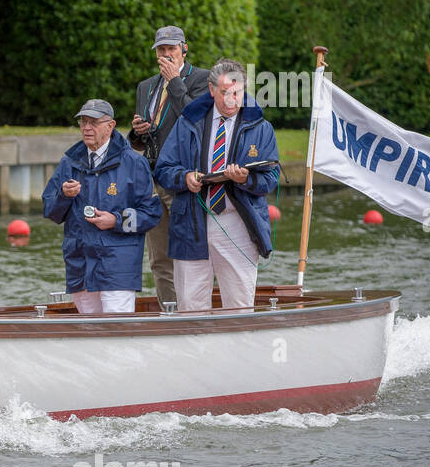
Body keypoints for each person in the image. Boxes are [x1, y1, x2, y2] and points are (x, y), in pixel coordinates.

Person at [154, 58, 280, 311]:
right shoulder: (188, 122)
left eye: (237, 92)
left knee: (240, 306)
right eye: (224, 93)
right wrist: (185, 178)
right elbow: (164, 169)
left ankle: (238, 349)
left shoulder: (261, 128)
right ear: (211, 90)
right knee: (190, 306)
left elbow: (270, 179)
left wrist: (245, 179)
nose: (231, 99)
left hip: (239, 224)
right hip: (191, 222)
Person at [42, 99, 163, 314]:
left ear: (111, 126)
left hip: (117, 266)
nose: (87, 128)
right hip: (80, 262)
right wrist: (64, 195)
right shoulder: (69, 162)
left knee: (117, 331)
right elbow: (50, 210)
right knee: (89, 332)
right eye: (83, 122)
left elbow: (151, 214)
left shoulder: (134, 163)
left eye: (94, 122)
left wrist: (115, 221)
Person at [128, 26, 211, 305]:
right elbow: (143, 140)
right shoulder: (146, 86)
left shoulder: (202, 79)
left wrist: (175, 81)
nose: (166, 54)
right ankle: (170, 314)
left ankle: (195, 313)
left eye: (171, 49)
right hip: (151, 179)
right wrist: (137, 132)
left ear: (184, 49)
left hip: (183, 179)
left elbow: (196, 119)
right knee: (159, 259)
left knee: (188, 254)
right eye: (161, 50)